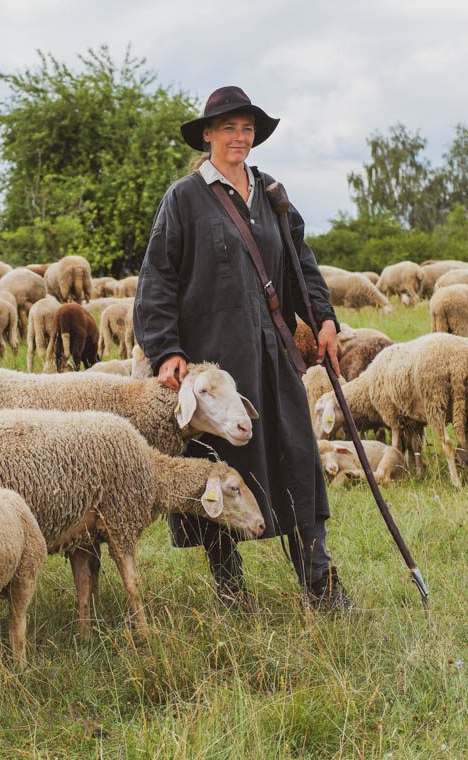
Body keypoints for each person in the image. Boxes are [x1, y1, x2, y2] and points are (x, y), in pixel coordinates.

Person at [133, 85, 353, 612]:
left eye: (246, 128)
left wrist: (322, 318)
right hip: (215, 365)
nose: (239, 137)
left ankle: (319, 584)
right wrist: (167, 351)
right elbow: (158, 279)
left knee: (298, 454)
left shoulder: (273, 194)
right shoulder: (184, 199)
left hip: (273, 355)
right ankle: (230, 589)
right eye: (228, 128)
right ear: (207, 135)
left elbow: (301, 265)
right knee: (220, 466)